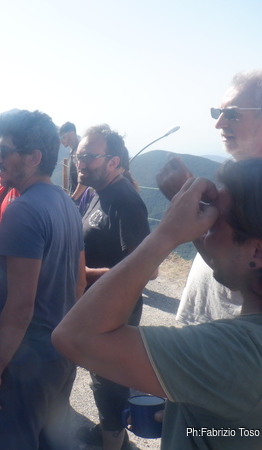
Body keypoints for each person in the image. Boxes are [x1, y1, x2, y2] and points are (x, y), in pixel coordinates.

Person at [53, 159, 262, 449]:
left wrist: (167, 233)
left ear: (257, 250)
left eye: (213, 225)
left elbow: (74, 336)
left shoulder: (237, 352)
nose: (203, 236)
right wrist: (191, 419)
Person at [0, 110, 86, 449]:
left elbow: (20, 306)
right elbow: (79, 282)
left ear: (34, 157)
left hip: (24, 362)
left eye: (4, 151)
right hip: (59, 353)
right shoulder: (66, 203)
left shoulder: (22, 211)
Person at [157, 70, 262, 324]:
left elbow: (239, 271)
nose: (219, 123)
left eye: (232, 114)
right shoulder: (241, 178)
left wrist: (185, 204)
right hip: (210, 323)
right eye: (218, 112)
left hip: (230, 336)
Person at [75, 125, 152, 450]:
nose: (81, 163)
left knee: (108, 382)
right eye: (78, 156)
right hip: (95, 307)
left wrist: (83, 273)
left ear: (113, 161)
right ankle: (110, 432)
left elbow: (146, 270)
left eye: (89, 156)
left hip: (114, 311)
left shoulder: (126, 201)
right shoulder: (99, 192)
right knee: (100, 377)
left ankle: (114, 443)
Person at [59, 121, 89, 203]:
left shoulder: (79, 152)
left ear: (72, 134)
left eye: (63, 137)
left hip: (81, 200)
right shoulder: (73, 151)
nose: (61, 140)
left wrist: (73, 199)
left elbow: (84, 178)